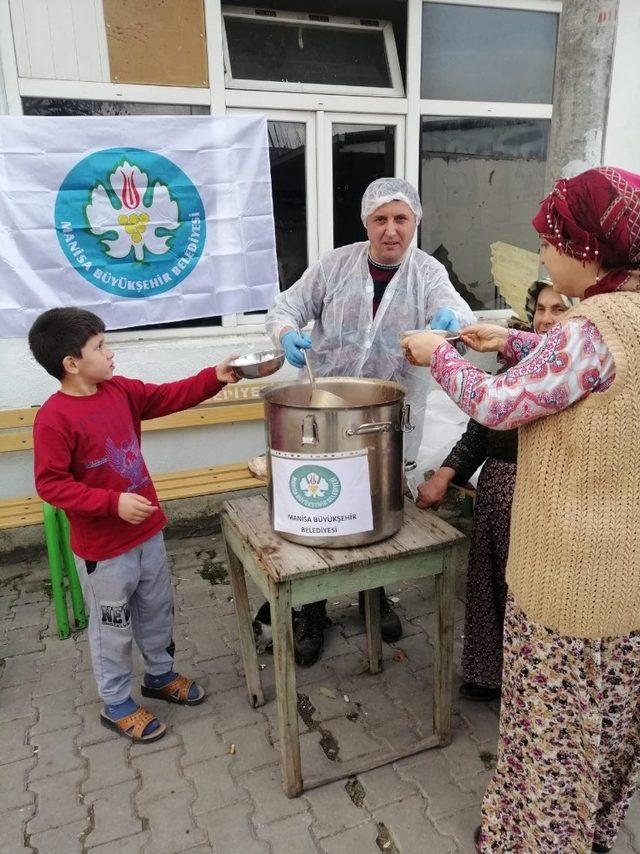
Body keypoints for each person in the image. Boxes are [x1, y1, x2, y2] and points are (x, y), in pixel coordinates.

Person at [402, 166, 640, 853]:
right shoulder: (622, 318)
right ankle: (576, 835)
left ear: (587, 249)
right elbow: (596, 378)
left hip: (571, 588)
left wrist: (438, 354)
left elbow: (496, 405)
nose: (541, 254)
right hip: (624, 587)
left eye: (550, 240)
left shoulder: (589, 327)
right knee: (606, 738)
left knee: (552, 744)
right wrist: (508, 341)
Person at [265, 177, 475, 665]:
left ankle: (373, 595)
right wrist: (286, 332)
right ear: (366, 224)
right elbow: (287, 305)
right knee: (321, 510)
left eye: (401, 219)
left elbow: (454, 309)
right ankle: (311, 608)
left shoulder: (427, 273)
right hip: (325, 413)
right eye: (380, 219)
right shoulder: (336, 265)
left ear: (415, 222)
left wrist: (451, 322)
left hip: (389, 417)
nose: (391, 230)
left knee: (381, 510)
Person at [28, 307, 240, 744]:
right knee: (112, 625)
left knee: (157, 609)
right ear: (72, 363)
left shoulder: (119, 391)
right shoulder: (54, 418)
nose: (111, 353)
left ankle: (160, 676)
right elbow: (51, 485)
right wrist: (111, 504)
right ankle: (116, 701)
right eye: (100, 346)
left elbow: (168, 396)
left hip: (147, 534)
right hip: (103, 549)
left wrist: (215, 376)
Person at [417, 280, 569, 702]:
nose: (547, 318)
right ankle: (488, 674)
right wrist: (445, 475)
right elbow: (481, 430)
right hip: (497, 493)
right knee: (489, 589)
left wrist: (440, 357)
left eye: (560, 309)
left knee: (532, 598)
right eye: (541, 308)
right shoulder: (514, 366)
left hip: (544, 498)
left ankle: (534, 689)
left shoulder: (575, 375)